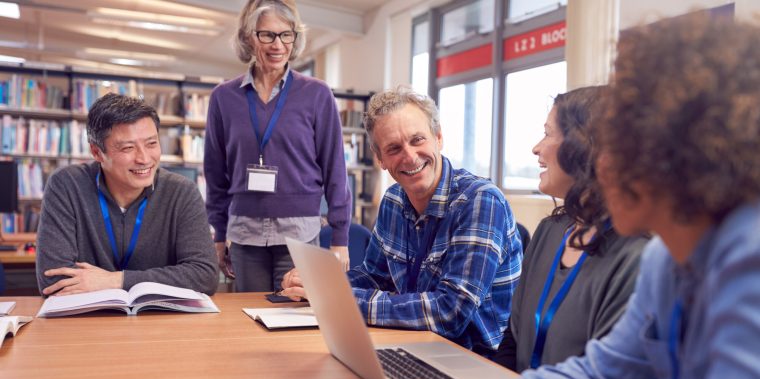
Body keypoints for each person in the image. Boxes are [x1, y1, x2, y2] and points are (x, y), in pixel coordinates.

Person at [383, 15, 760, 379]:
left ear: (676, 151)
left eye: (617, 141)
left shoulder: (748, 267)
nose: (599, 163)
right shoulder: (665, 263)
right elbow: (599, 372)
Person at [282, 87, 524, 356]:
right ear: (380, 159)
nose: (409, 156)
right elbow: (374, 276)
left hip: (474, 358)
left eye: (417, 140)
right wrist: (319, 283)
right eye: (394, 148)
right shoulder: (394, 199)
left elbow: (450, 313)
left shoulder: (481, 202)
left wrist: (335, 299)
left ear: (438, 137)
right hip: (411, 344)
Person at [492, 86, 648, 372]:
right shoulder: (549, 231)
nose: (536, 147)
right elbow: (512, 341)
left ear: (583, 146)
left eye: (548, 133)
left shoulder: (636, 254)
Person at [204, 0, 351, 293]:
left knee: (294, 319)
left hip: (300, 230)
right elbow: (215, 174)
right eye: (267, 35)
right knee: (249, 320)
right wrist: (219, 235)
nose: (278, 45)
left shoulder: (317, 94)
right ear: (249, 36)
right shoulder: (223, 97)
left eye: (286, 35)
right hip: (245, 232)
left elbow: (335, 169)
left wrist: (340, 240)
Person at [36, 93, 218, 296]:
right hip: (87, 321)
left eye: (151, 144)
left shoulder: (182, 192)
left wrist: (117, 280)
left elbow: (205, 276)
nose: (144, 158)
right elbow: (54, 279)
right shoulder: (67, 186)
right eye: (128, 148)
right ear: (97, 153)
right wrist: (158, 281)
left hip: (160, 320)